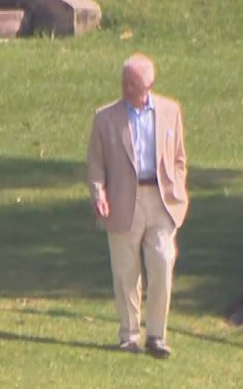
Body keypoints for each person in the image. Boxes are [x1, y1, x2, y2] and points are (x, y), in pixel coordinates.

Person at [86, 53, 189, 358]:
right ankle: (129, 334)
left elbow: (179, 158)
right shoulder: (105, 118)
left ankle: (156, 335)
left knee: (162, 263)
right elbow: (95, 163)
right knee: (126, 271)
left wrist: (177, 187)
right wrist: (98, 193)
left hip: (161, 200)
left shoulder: (170, 111)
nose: (126, 88)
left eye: (133, 83)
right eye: (124, 82)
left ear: (148, 84)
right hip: (122, 200)